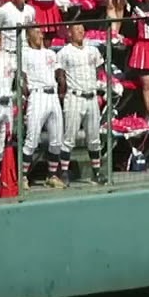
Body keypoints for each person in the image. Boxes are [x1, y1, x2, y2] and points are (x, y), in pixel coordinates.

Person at [56, 22, 104, 184]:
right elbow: (60, 74)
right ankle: (63, 173)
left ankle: (96, 173)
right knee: (69, 137)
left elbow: (99, 69)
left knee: (94, 137)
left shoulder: (93, 50)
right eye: (77, 29)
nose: (80, 32)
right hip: (74, 96)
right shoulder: (64, 52)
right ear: (69, 33)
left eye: (82, 29)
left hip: (91, 96)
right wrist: (62, 92)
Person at [20, 26, 67, 189]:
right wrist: (25, 92)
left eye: (41, 32)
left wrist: (62, 81)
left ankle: (52, 175)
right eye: (36, 32)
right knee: (32, 139)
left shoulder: (50, 53)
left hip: (52, 94)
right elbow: (23, 76)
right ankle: (23, 177)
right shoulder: (25, 53)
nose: (40, 34)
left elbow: (58, 70)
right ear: (28, 36)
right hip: (37, 94)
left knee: (57, 140)